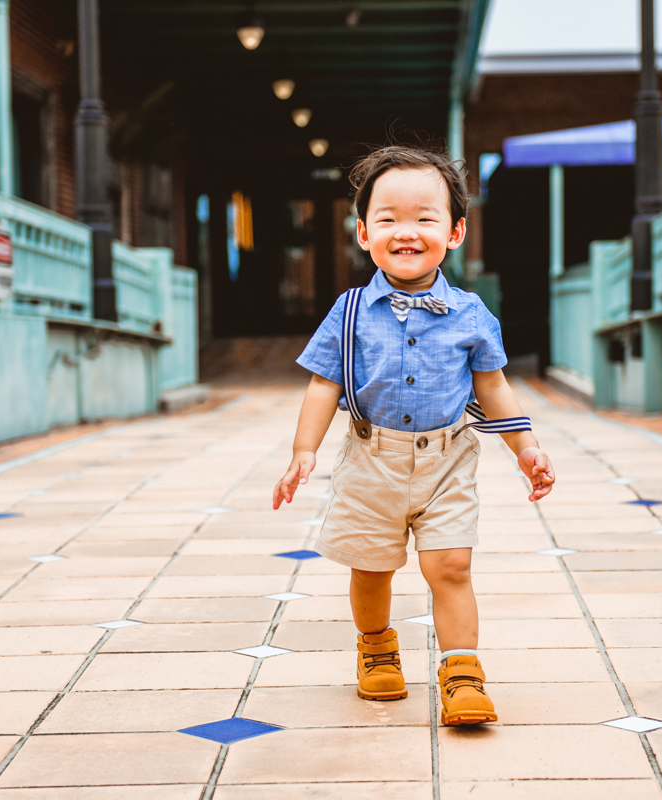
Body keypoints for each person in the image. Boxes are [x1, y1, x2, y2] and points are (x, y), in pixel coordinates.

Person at [271, 145, 556, 725]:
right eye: (388, 218)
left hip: (447, 460)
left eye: (425, 218)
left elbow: (494, 387)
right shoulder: (348, 312)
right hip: (369, 458)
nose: (407, 231)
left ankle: (462, 672)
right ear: (362, 232)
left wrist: (526, 448)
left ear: (454, 232)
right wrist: (304, 451)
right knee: (371, 567)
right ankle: (376, 648)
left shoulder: (472, 314)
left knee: (450, 565)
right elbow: (324, 386)